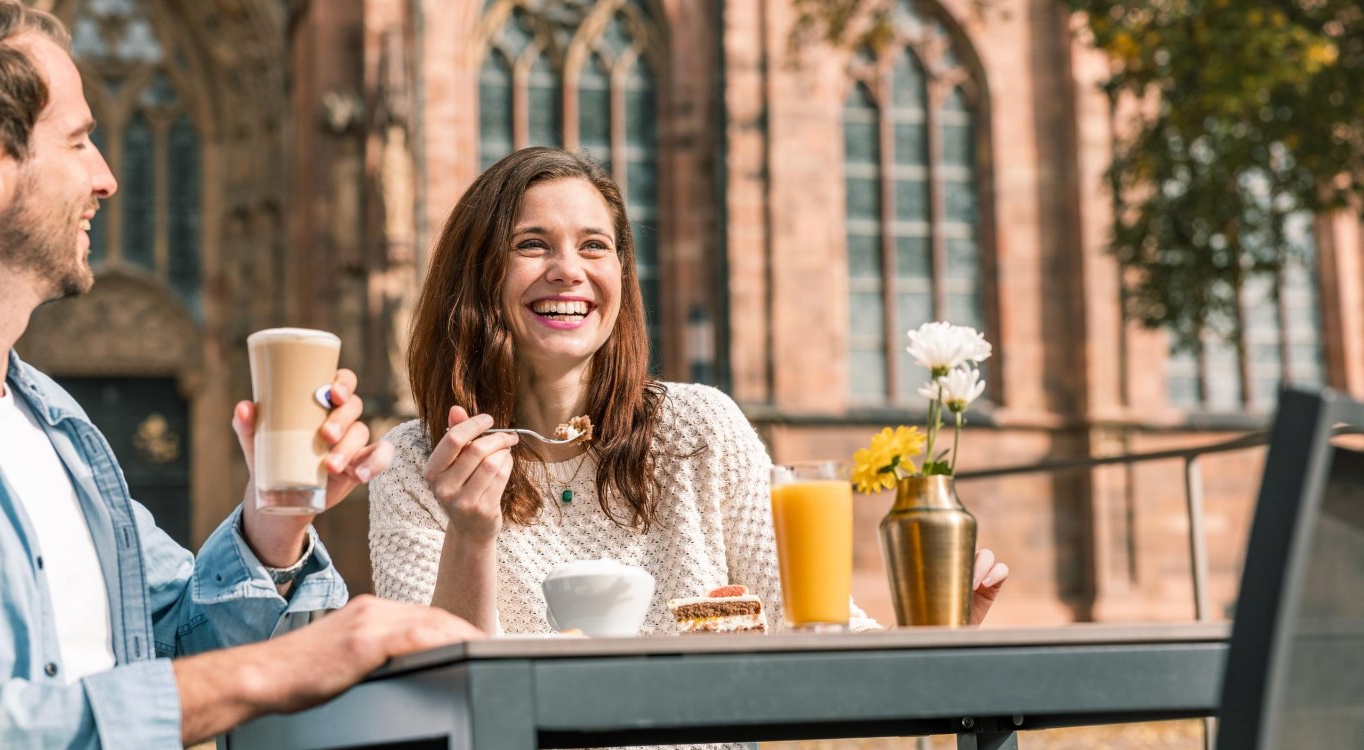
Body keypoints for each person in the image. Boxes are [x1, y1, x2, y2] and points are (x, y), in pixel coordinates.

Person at [0, 2, 480, 748]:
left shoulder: (55, 427)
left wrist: (274, 527)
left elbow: (172, 642)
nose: (107, 178)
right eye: (78, 141)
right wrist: (269, 672)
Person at [367, 146, 1008, 643]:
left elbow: (815, 629)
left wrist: (937, 639)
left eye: (595, 246)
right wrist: (472, 535)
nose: (569, 269)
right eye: (532, 245)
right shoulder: (415, 463)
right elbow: (437, 691)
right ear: (476, 274)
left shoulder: (697, 428)